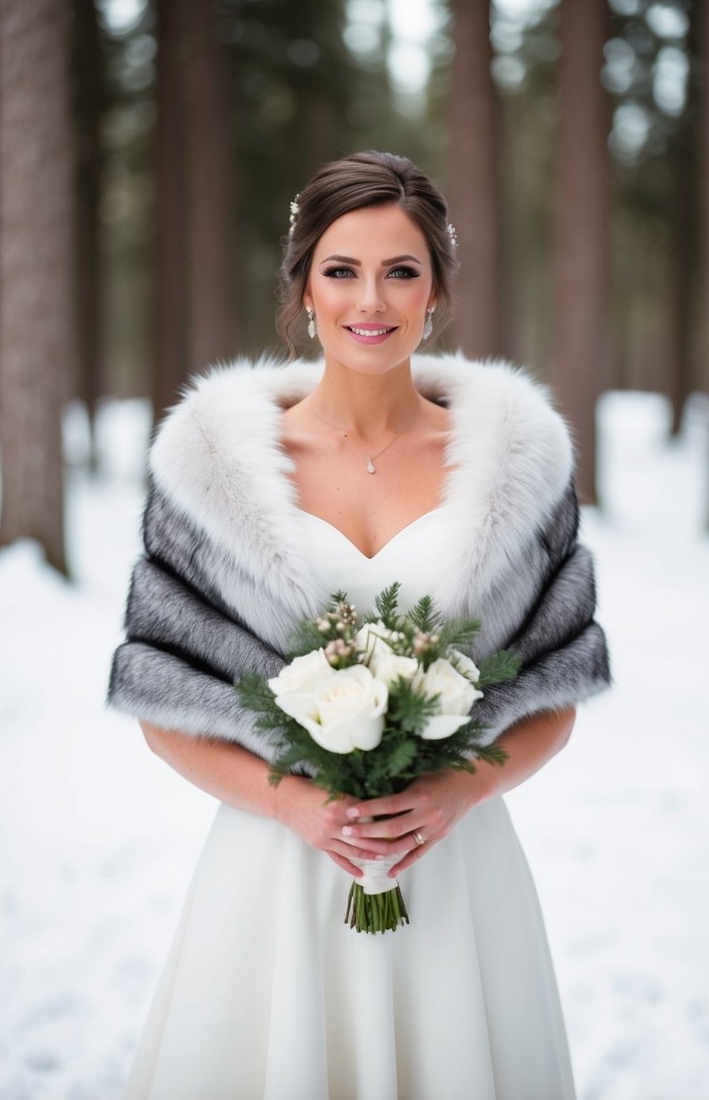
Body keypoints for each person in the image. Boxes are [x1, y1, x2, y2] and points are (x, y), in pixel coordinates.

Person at [108, 150, 610, 1099]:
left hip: (457, 879)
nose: (368, 299)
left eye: (401, 270)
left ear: (436, 293)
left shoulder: (522, 467)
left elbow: (555, 693)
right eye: (340, 269)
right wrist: (296, 804)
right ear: (302, 285)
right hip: (273, 876)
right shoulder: (208, 472)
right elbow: (161, 700)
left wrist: (460, 794)